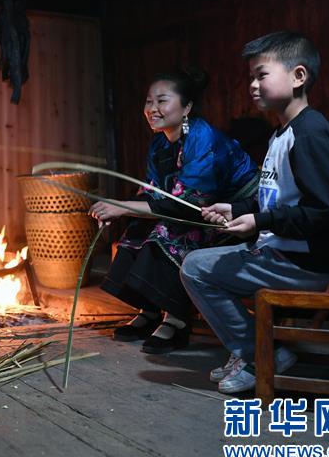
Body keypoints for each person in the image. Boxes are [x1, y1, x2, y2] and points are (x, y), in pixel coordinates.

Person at [181, 31, 329, 394]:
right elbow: (279, 200)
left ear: (298, 76)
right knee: (197, 262)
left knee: (196, 269)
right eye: (251, 78)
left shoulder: (309, 135)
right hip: (284, 255)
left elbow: (324, 212)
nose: (252, 85)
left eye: (261, 75)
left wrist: (261, 221)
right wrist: (240, 208)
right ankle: (255, 350)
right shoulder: (282, 134)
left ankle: (261, 354)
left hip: (305, 266)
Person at [89, 67, 258, 354]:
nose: (152, 109)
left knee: (171, 231)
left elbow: (189, 205)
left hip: (234, 218)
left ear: (187, 107)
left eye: (162, 101)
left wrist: (123, 207)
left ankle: (177, 319)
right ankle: (150, 309)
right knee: (138, 227)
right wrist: (120, 210)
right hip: (196, 212)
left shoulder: (204, 138)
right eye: (148, 102)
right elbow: (154, 191)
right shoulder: (159, 143)